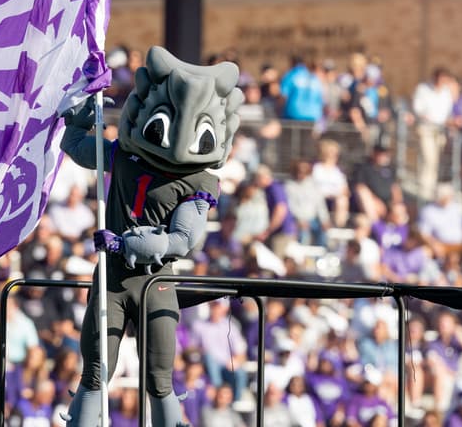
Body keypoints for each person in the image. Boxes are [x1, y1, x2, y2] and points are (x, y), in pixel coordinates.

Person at [59, 46, 243, 427]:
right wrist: (81, 119)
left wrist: (128, 243)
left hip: (156, 283)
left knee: (158, 379)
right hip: (111, 280)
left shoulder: (199, 182)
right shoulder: (124, 156)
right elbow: (77, 149)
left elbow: (183, 240)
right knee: (95, 373)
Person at [412, 67, 457, 200]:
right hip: (426, 129)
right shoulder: (423, 89)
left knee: (435, 161)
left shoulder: (446, 93)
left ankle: (431, 190)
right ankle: (425, 192)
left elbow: (448, 113)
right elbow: (418, 109)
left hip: (440, 131)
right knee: (428, 159)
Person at [285, 158, 330, 247]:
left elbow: (320, 205)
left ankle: (319, 258)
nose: (301, 174)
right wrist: (299, 220)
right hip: (297, 220)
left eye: (304, 171)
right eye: (299, 171)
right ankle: (303, 258)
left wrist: (325, 220)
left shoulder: (314, 186)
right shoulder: (289, 186)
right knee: (303, 234)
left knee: (323, 233)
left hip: (313, 220)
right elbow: (290, 206)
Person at [352, 145, 401, 223]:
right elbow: (360, 187)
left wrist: (397, 203)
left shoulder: (390, 169)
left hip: (388, 203)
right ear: (374, 154)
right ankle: (376, 227)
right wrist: (376, 201)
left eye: (385, 154)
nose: (383, 157)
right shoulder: (364, 168)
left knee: (400, 210)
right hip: (371, 202)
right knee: (364, 195)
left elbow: (395, 188)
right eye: (381, 154)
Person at [280, 55, 324, 123]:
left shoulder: (291, 75)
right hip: (313, 115)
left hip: (293, 114)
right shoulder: (314, 78)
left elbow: (283, 95)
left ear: (292, 63)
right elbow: (321, 99)